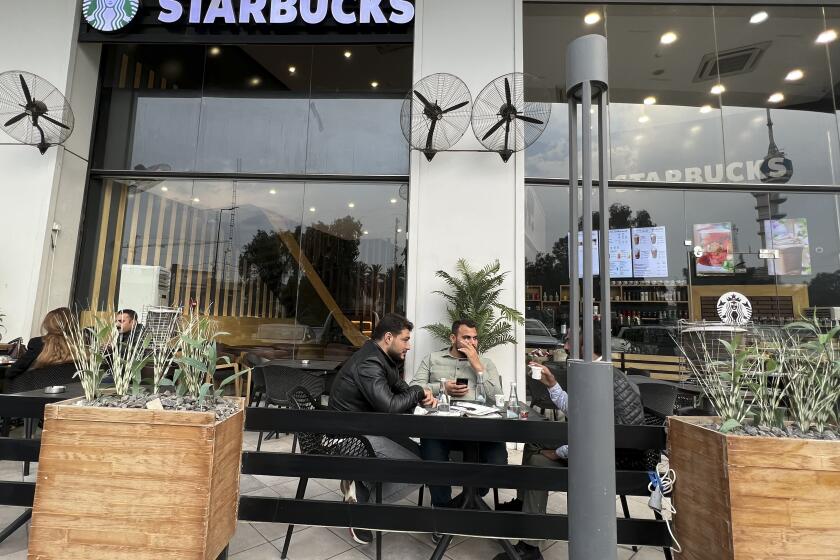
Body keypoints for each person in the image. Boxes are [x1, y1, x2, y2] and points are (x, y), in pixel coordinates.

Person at [494, 328, 645, 560]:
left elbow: (595, 440)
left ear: (585, 349)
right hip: (604, 450)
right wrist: (552, 384)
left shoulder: (600, 381)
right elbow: (578, 412)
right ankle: (524, 506)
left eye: (570, 343)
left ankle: (530, 546)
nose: (564, 347)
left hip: (611, 463)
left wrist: (559, 452)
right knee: (533, 439)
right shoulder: (598, 371)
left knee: (537, 462)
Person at [329, 313, 437, 544]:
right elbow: (390, 407)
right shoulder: (369, 362)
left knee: (424, 455)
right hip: (350, 436)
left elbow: (400, 389)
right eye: (405, 339)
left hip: (365, 427)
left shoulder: (381, 358)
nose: (409, 346)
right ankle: (361, 506)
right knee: (423, 470)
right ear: (389, 337)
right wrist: (417, 392)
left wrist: (419, 395)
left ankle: (360, 485)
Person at [411, 319, 507, 512]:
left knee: (498, 460)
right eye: (466, 337)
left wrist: (477, 366)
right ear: (453, 338)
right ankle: (442, 508)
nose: (472, 342)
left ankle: (471, 497)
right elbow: (414, 388)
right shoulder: (432, 359)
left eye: (475, 338)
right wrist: (442, 388)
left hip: (480, 429)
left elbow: (498, 397)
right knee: (432, 456)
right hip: (442, 426)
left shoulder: (486, 363)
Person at [5, 307, 77, 392]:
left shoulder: (37, 343)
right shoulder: (81, 345)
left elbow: (11, 372)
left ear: (47, 324)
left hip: (39, 391)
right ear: (73, 324)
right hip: (73, 393)